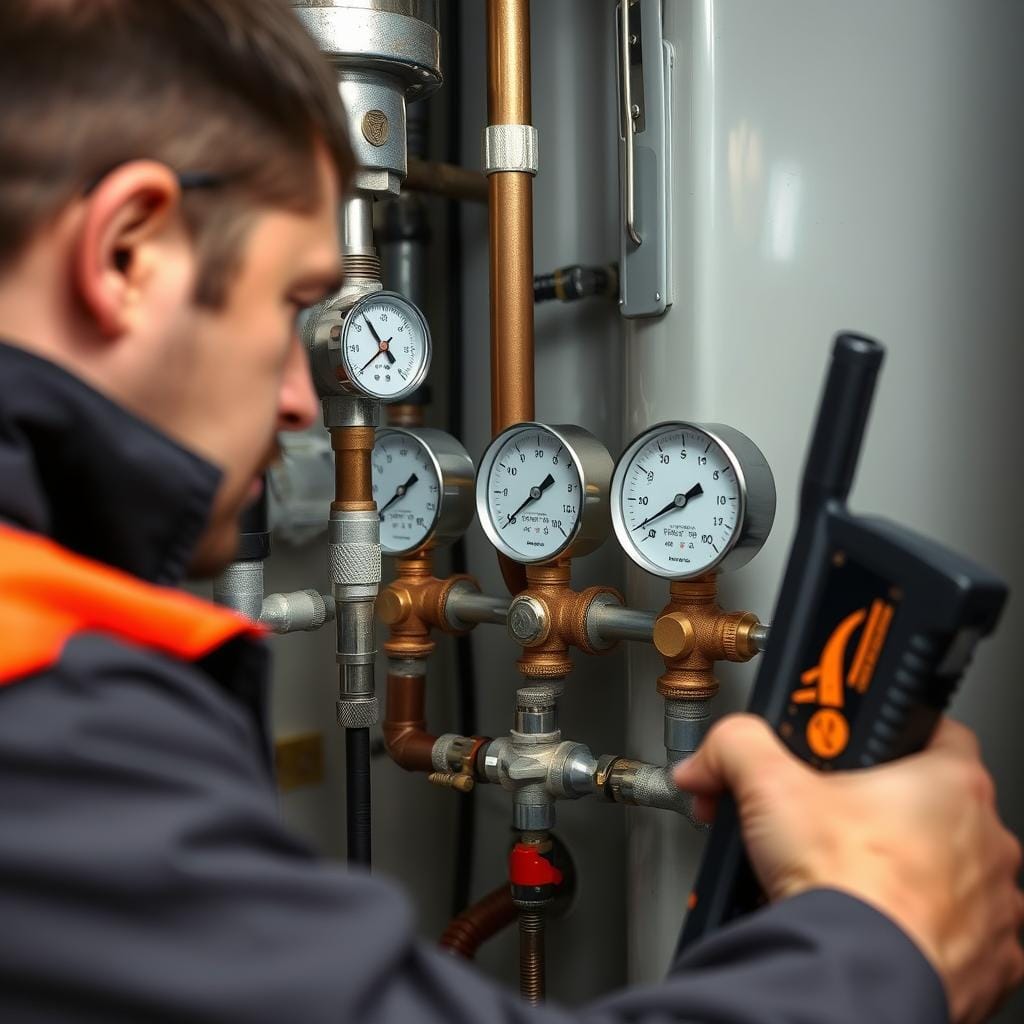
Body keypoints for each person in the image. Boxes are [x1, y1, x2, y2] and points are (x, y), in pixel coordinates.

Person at [0, 2, 1019, 1022]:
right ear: (128, 252)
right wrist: (887, 935)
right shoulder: (47, 710)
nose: (304, 400)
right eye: (287, 306)